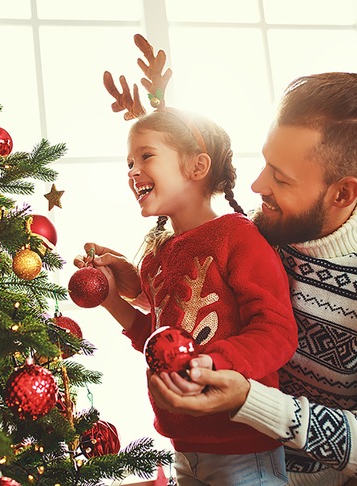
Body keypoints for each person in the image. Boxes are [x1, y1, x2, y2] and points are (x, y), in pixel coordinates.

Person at [96, 72, 357, 485]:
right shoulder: (255, 234)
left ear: (342, 194)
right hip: (223, 454)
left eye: (280, 178)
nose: (256, 184)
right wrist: (136, 290)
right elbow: (200, 313)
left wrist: (252, 401)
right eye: (265, 162)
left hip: (332, 467)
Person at [76, 105, 298, 485]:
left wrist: (211, 364)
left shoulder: (236, 238)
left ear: (197, 167)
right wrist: (111, 296)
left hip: (244, 452)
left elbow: (277, 332)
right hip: (184, 449)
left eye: (146, 156)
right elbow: (156, 338)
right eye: (129, 162)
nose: (131, 171)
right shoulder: (157, 257)